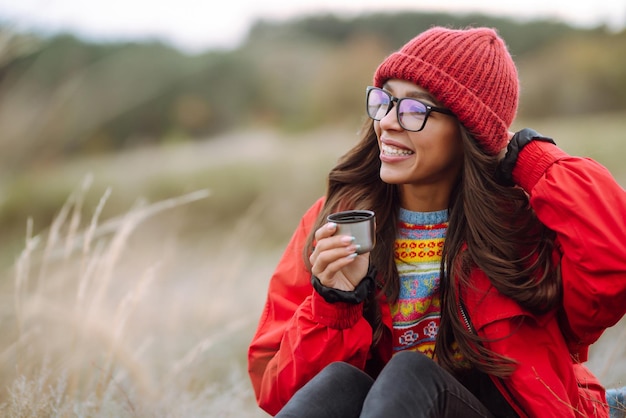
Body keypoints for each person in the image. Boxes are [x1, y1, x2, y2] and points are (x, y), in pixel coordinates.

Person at [247, 26, 626, 417]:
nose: (388, 122)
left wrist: (534, 160)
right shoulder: (338, 223)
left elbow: (614, 259)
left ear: (467, 128)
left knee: (410, 375)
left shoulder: (519, 226)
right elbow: (279, 394)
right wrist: (334, 305)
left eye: (415, 110)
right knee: (338, 382)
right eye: (384, 101)